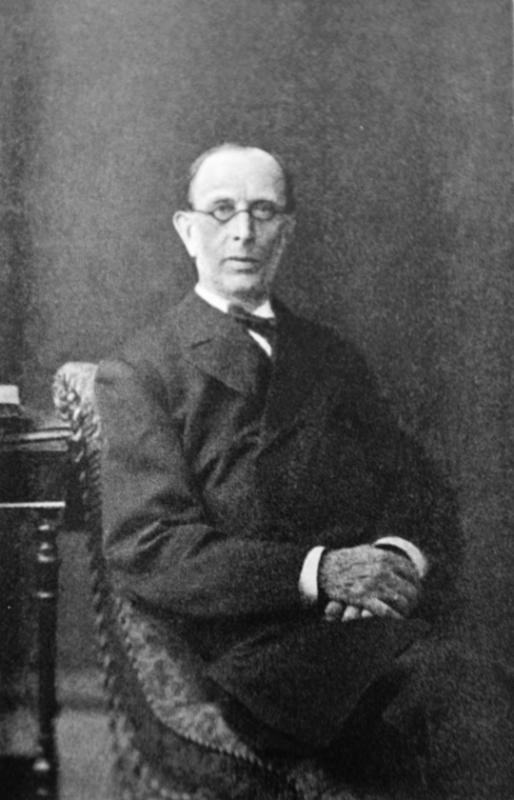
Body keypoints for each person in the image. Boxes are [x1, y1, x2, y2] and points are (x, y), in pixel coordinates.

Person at [95, 143, 513, 798]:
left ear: (286, 231)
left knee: (476, 684)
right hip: (261, 655)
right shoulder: (141, 370)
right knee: (450, 693)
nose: (243, 232)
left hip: (372, 625)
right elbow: (149, 546)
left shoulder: (332, 354)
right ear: (187, 229)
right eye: (222, 210)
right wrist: (321, 573)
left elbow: (418, 489)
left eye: (263, 212)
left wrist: (393, 557)